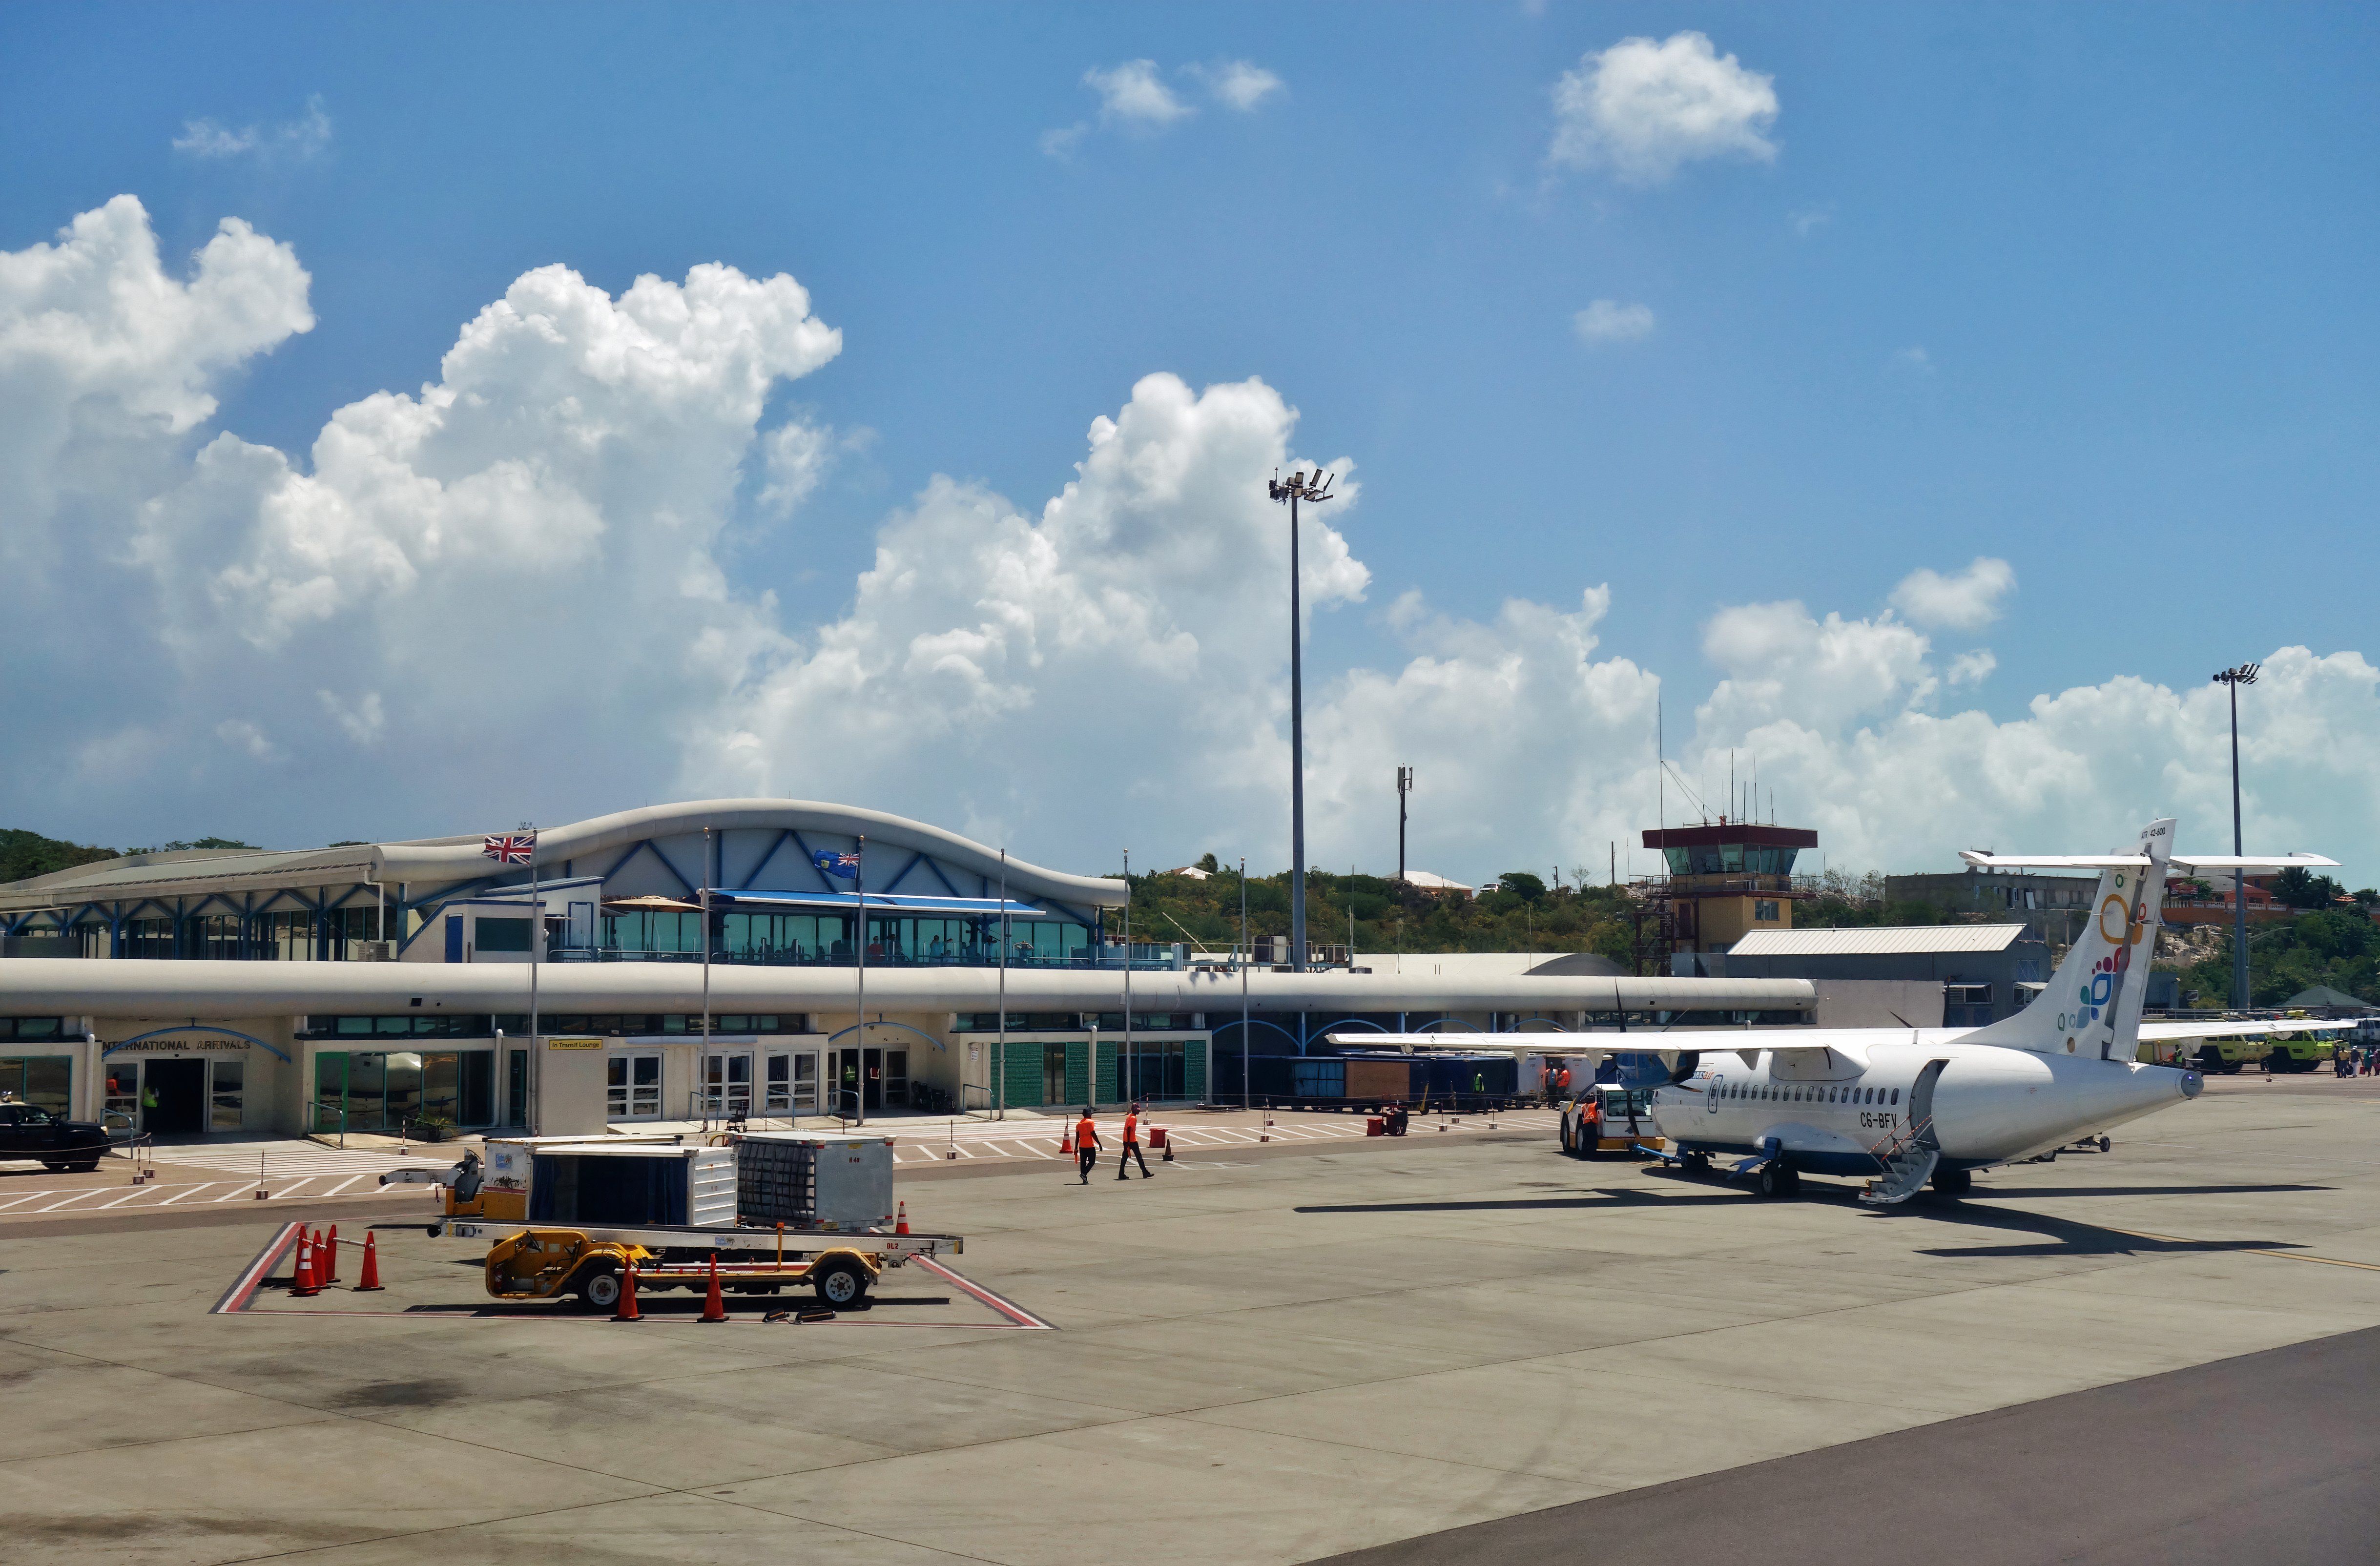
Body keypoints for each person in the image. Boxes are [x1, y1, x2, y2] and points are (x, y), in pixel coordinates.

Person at [1116, 1102, 1152, 1179]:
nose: (1138, 1111)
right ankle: (1145, 1172)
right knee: (1139, 1157)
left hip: (1126, 1139)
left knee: (1125, 1157)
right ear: (1134, 1110)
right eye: (1137, 1110)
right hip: (1132, 1141)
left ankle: (1121, 1174)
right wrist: (1129, 1142)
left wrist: (1127, 1141)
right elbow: (1129, 1129)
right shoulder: (1133, 1118)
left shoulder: (1129, 1116)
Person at [1074, 1106, 1101, 1183]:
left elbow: (1077, 1138)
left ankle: (1084, 1180)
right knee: (1092, 1162)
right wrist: (1099, 1144)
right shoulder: (1091, 1122)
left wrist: (1076, 1148)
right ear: (1089, 1115)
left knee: (1083, 1163)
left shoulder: (1079, 1124)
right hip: (1090, 1146)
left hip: (1082, 1146)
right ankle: (1084, 1174)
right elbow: (1093, 1134)